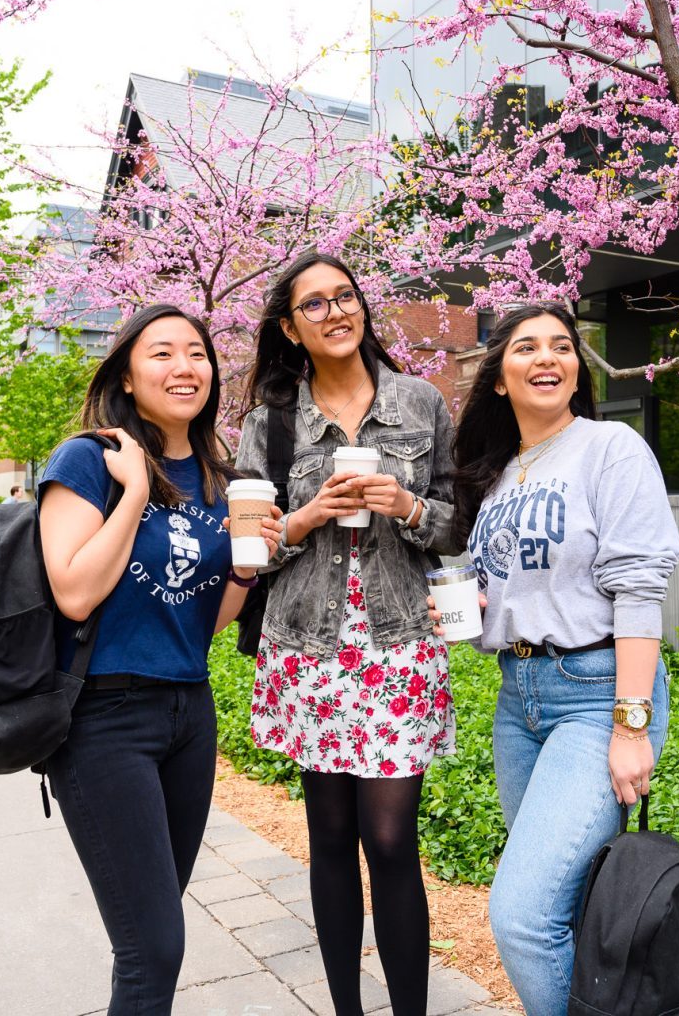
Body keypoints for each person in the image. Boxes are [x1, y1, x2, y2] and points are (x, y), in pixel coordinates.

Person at [436, 304, 679, 1016]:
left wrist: (630, 724)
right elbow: (516, 583)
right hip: (519, 699)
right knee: (563, 905)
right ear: (499, 378)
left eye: (561, 346)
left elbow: (638, 590)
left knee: (519, 915)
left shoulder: (610, 448)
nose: (546, 358)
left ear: (575, 366)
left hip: (595, 690)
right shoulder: (494, 475)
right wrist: (475, 611)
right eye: (525, 348)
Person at [37, 304, 281, 1016]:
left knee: (154, 927)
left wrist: (245, 565)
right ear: (127, 373)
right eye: (162, 353)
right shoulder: (89, 459)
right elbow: (75, 592)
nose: (184, 368)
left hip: (187, 712)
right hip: (102, 719)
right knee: (154, 946)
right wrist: (136, 490)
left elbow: (205, 621)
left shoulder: (218, 475)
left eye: (197, 354)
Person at [235, 252, 460, 1016]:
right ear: (289, 328)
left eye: (346, 297)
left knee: (392, 843)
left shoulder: (421, 402)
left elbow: (459, 525)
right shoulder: (268, 425)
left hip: (397, 649)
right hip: (307, 653)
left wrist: (405, 505)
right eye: (315, 305)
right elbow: (251, 551)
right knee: (329, 839)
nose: (336, 312)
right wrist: (303, 518)